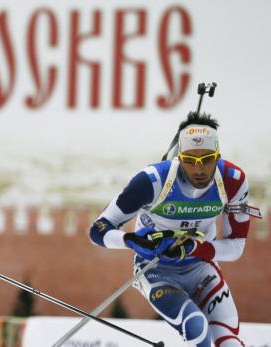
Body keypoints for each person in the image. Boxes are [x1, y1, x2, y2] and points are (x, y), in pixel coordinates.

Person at [89, 112, 253, 346]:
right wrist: (132, 241)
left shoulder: (232, 180)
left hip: (200, 268)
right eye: (189, 160)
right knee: (196, 326)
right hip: (156, 270)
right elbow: (98, 230)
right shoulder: (152, 181)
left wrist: (195, 248)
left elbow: (236, 247)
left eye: (207, 159)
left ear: (218, 156)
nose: (199, 169)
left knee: (229, 342)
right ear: (179, 156)